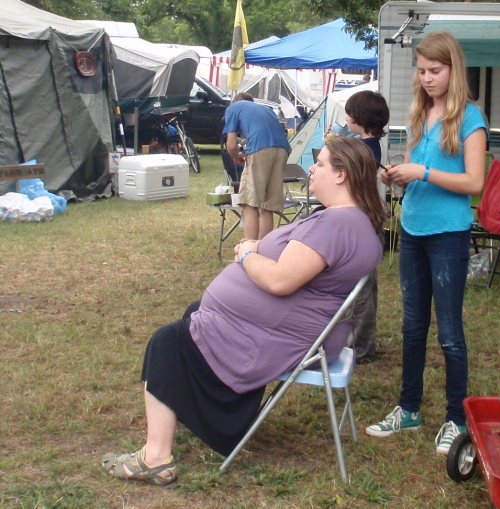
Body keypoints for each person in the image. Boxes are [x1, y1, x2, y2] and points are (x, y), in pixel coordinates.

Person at [101, 137, 386, 487]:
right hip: (296, 330)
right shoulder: (352, 221)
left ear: (341, 175)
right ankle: (207, 413)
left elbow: (281, 281)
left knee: (167, 342)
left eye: (321, 163)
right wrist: (258, 248)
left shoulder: (337, 225)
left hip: (284, 337)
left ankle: (156, 458)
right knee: (193, 314)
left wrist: (248, 255)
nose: (312, 168)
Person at [365, 31, 487, 456]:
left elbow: (475, 182)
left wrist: (422, 173)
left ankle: (456, 419)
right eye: (421, 71)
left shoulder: (471, 118)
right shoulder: (420, 112)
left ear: (454, 69)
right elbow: (416, 168)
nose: (427, 78)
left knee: (449, 333)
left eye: (435, 70)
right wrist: (397, 175)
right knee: (412, 327)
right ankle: (409, 409)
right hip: (413, 229)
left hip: (448, 234)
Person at [343, 90, 390, 364]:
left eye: (349, 113)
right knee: (365, 286)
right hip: (369, 221)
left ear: (360, 117)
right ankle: (363, 343)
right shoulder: (368, 145)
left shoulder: (365, 149)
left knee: (360, 288)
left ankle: (360, 349)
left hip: (363, 223)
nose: (346, 118)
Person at [223, 92, 291, 240]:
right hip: (283, 149)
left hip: (261, 148)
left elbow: (232, 145)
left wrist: (236, 157)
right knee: (267, 205)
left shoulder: (233, 108)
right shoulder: (266, 109)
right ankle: (263, 246)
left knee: (249, 203)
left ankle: (250, 246)